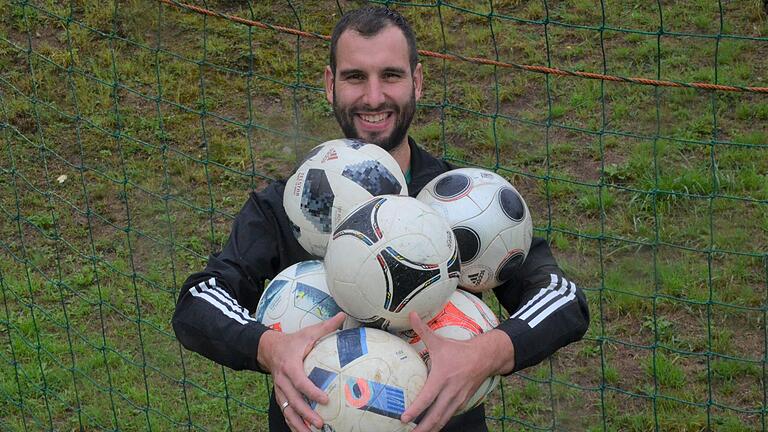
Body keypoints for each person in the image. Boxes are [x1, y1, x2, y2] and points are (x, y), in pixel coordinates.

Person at [172, 6, 589, 432]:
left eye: (390, 75)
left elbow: (563, 299)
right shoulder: (292, 204)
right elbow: (199, 301)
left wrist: (487, 353)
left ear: (418, 83)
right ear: (330, 85)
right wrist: (270, 348)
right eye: (355, 77)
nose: (373, 97)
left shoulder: (465, 203)